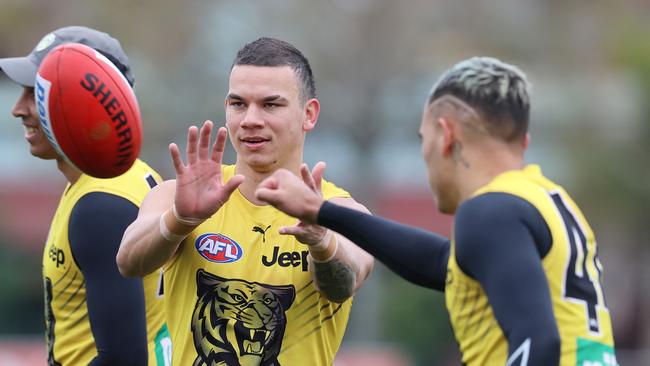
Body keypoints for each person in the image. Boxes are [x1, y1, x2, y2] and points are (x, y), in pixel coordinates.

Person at [255, 57, 618, 366]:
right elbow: (444, 263)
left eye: (422, 139)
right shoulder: (546, 200)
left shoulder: (489, 212)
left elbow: (539, 341)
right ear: (522, 141)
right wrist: (323, 211)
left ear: (445, 135)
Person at [117, 37, 374, 366]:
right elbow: (128, 263)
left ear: (308, 114)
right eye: (238, 104)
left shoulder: (342, 214)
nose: (251, 119)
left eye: (271, 105)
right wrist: (180, 219)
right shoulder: (177, 196)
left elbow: (343, 285)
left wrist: (321, 241)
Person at [1, 26, 170, 366]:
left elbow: (123, 360)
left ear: (88, 102)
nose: (18, 109)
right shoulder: (128, 177)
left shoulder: (101, 204)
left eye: (36, 94)